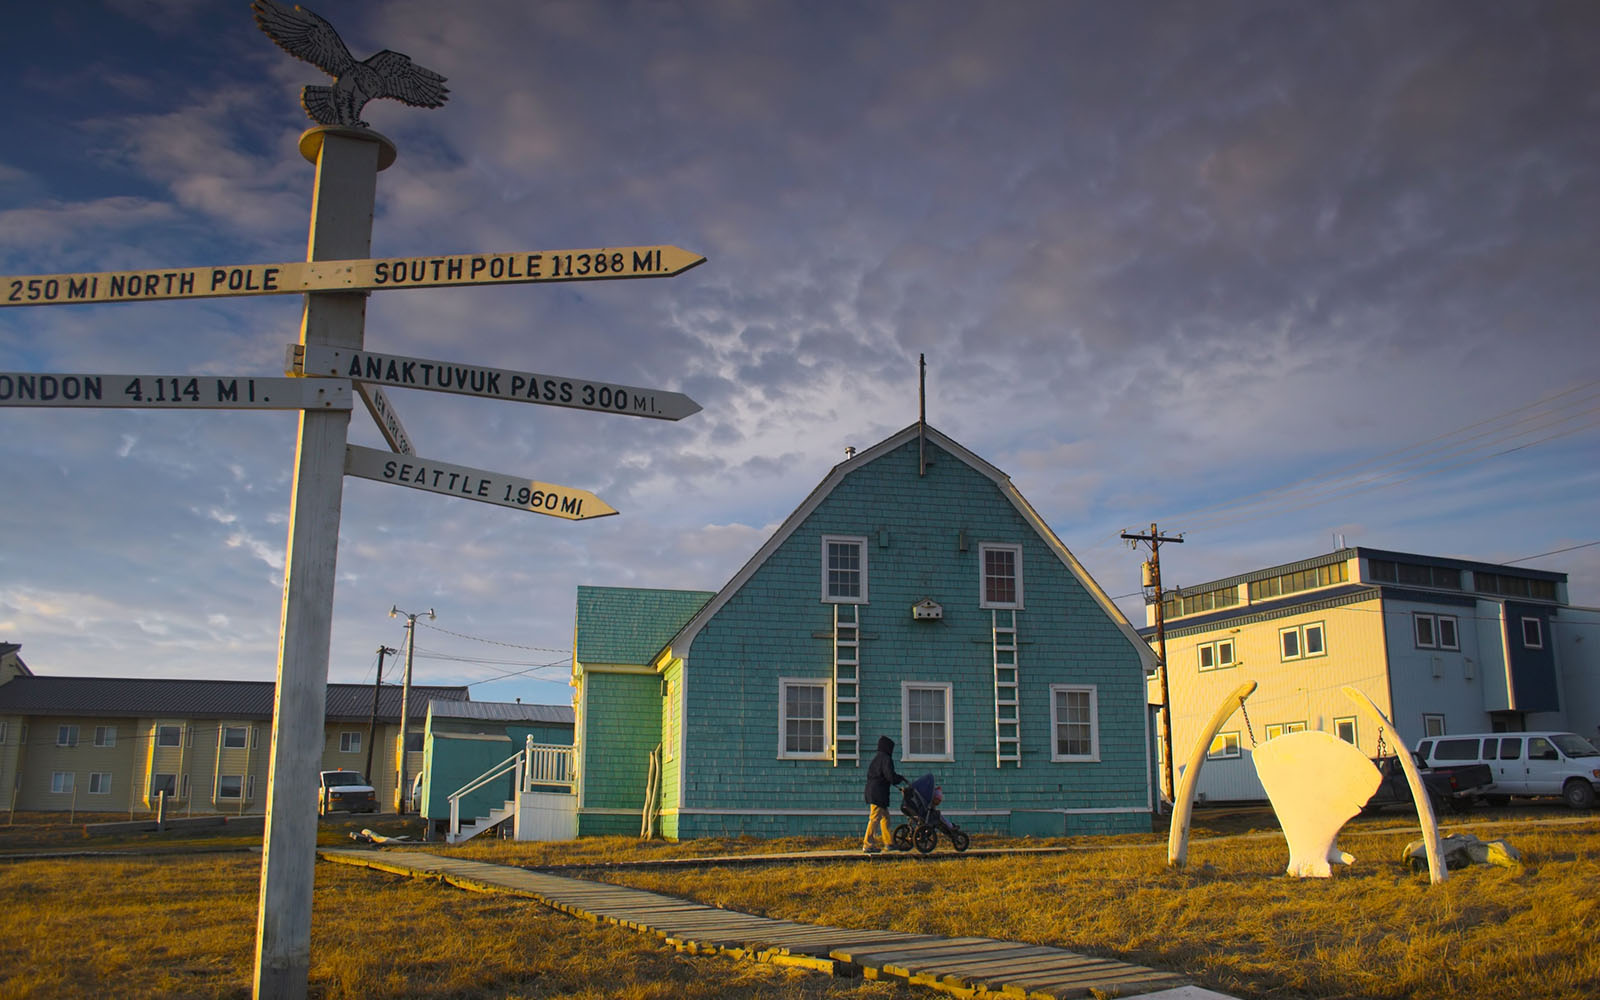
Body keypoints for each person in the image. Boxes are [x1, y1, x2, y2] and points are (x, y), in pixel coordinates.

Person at [862, 735, 905, 853]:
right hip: (878, 794)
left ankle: (889, 842)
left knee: (885, 817)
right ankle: (868, 844)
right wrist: (899, 778)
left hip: (873, 792)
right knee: (874, 818)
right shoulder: (886, 759)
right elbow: (890, 776)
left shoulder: (876, 759)